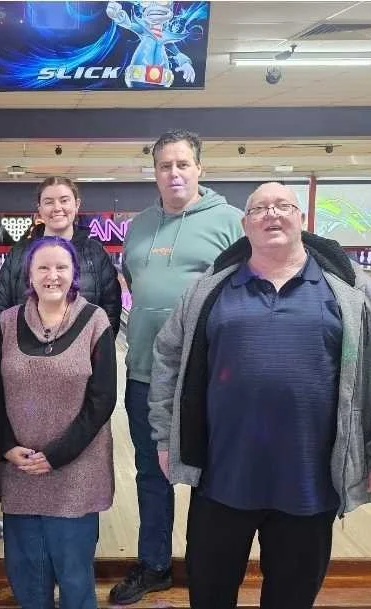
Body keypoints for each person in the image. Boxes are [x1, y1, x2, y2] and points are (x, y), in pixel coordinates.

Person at [148, 182, 371, 609]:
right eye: (259, 209)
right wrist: (168, 437)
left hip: (309, 485)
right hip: (222, 480)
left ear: (301, 218)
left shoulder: (352, 290)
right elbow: (167, 359)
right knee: (208, 595)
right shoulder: (211, 289)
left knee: (292, 600)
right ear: (245, 225)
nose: (271, 215)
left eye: (282, 206)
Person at [111, 129, 245, 605]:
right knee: (152, 474)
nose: (174, 173)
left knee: (212, 474)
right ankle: (154, 565)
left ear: (199, 168)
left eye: (182, 164)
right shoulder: (140, 224)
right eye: (165, 165)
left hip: (209, 379)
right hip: (146, 373)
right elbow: (133, 281)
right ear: (154, 173)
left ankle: (210, 566)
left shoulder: (231, 221)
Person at [0, 236, 116, 609]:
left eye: (61, 267)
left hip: (76, 469)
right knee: (27, 574)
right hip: (20, 467)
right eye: (43, 267)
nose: (52, 275)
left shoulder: (95, 320)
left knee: (75, 576)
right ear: (29, 273)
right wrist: (7, 446)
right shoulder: (8, 322)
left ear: (74, 273)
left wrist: (57, 455)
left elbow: (102, 399)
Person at [0, 176, 123, 335]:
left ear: (77, 205)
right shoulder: (19, 253)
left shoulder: (96, 254)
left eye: (64, 200)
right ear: (39, 209)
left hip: (82, 355)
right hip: (27, 351)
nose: (57, 208)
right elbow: (2, 306)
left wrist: (98, 350)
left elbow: (111, 310)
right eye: (48, 202)